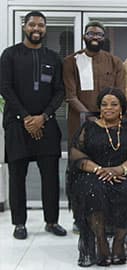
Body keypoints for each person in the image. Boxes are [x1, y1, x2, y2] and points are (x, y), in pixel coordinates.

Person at [0, 11, 67, 240]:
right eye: (32, 25)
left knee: (50, 176)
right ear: (24, 27)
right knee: (17, 176)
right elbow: (5, 88)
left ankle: (52, 221)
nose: (36, 29)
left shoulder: (54, 58)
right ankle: (19, 223)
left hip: (46, 124)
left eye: (40, 25)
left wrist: (43, 117)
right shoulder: (10, 55)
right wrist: (26, 118)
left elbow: (60, 91)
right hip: (17, 125)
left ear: (45, 29)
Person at [68, 88, 127, 267]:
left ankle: (119, 242)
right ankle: (101, 241)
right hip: (94, 173)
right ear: (99, 107)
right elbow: (75, 153)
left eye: (114, 104)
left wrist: (121, 169)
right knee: (92, 190)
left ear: (122, 108)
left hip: (126, 173)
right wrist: (99, 170)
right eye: (104, 104)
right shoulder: (88, 127)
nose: (108, 108)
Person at [64, 20, 125, 142]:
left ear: (104, 38)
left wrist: (106, 117)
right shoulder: (71, 61)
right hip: (79, 120)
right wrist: (91, 118)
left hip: (109, 120)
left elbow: (119, 94)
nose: (95, 37)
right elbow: (71, 96)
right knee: (80, 156)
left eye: (99, 34)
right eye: (90, 33)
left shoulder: (115, 62)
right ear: (84, 37)